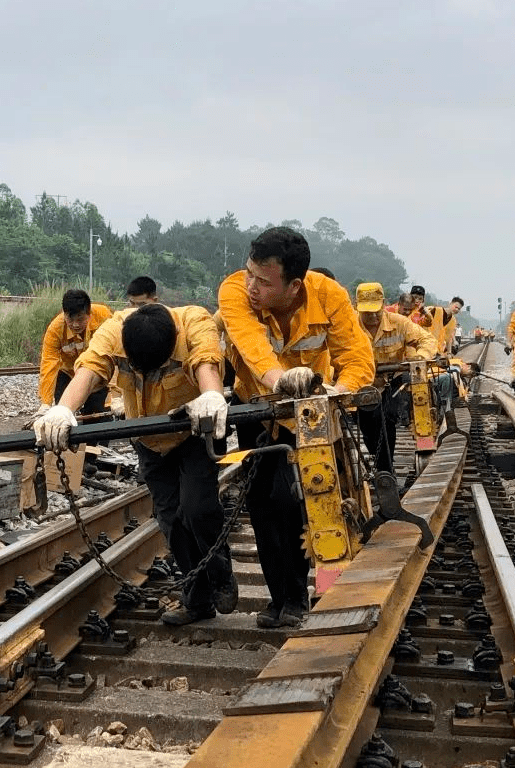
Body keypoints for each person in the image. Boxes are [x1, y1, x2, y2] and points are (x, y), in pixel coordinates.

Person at [33, 303, 237, 626]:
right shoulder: (115, 330)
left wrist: (212, 395)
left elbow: (208, 362)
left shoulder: (195, 324)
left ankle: (220, 571)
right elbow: (88, 370)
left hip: (192, 434)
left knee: (197, 509)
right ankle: (197, 600)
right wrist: (63, 409)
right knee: (170, 518)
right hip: (148, 441)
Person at [218, 228, 374, 628]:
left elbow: (358, 358)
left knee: (292, 501)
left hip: (312, 414)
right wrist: (278, 380)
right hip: (257, 409)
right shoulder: (234, 292)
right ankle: (281, 599)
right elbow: (252, 345)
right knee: (261, 506)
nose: (251, 285)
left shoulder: (329, 296)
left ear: (294, 286)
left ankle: (302, 594)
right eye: (249, 272)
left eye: (264, 281)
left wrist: (338, 392)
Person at [354, 283, 437, 474]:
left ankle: (386, 470)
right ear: (357, 307)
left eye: (377, 311)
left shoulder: (399, 322)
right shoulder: (349, 325)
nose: (373, 317)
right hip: (363, 383)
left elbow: (427, 340)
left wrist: (420, 357)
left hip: (393, 380)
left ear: (383, 304)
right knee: (367, 426)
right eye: (367, 313)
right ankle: (379, 458)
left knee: (387, 420)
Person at [38, 289, 113, 416]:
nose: (75, 325)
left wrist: (116, 394)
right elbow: (48, 365)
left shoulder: (103, 316)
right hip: (68, 372)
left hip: (96, 372)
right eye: (70, 319)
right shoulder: (55, 329)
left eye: (80, 319)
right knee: (62, 413)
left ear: (89, 313)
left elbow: (115, 353)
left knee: (97, 415)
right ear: (64, 314)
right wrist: (45, 403)